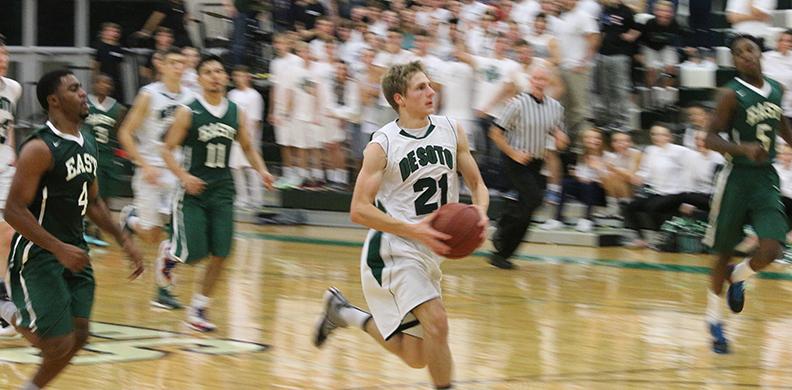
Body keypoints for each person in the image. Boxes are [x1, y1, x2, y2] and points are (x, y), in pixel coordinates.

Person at [313, 61, 489, 389]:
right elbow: (358, 210)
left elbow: (477, 184)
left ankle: (343, 312)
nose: (430, 92)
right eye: (420, 87)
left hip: (429, 253)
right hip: (393, 250)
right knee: (437, 323)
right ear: (400, 99)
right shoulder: (382, 144)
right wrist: (415, 230)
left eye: (430, 85)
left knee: (417, 356)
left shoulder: (452, 130)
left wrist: (480, 212)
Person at [0, 69, 144, 390]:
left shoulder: (88, 139)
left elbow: (93, 202)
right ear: (54, 100)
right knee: (54, 344)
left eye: (81, 88)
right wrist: (58, 248)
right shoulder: (39, 148)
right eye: (74, 88)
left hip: (75, 250)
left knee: (79, 336)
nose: (83, 93)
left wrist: (124, 239)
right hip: (39, 255)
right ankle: (5, 307)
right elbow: (13, 210)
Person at [162, 55, 274, 332]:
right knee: (195, 254)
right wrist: (184, 176)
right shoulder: (188, 111)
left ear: (226, 77)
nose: (215, 75)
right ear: (199, 79)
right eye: (209, 71)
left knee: (222, 251)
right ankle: (169, 253)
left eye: (219, 71)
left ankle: (199, 308)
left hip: (223, 188)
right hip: (194, 190)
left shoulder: (236, 112)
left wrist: (262, 170)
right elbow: (166, 149)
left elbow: (248, 147)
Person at [702, 35, 792, 354]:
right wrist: (741, 148)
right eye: (738, 54)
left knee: (772, 247)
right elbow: (709, 138)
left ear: (759, 53)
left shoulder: (777, 89)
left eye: (749, 50)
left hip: (765, 177)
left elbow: (781, 124)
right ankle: (714, 322)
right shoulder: (730, 94)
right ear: (734, 61)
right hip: (736, 179)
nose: (745, 56)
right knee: (723, 250)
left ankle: (737, 276)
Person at [118, 47, 196, 310]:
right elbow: (125, 133)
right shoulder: (148, 95)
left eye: (182, 63)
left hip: (176, 172)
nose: (178, 67)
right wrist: (143, 164)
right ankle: (131, 219)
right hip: (150, 170)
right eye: (173, 62)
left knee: (177, 234)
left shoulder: (191, 97)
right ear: (160, 65)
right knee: (152, 234)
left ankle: (163, 290)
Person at [487, 66, 567, 269]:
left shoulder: (556, 107)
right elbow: (495, 133)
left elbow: (560, 140)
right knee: (534, 199)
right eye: (536, 78)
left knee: (529, 208)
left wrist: (561, 139)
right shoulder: (517, 104)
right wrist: (513, 153)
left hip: (536, 162)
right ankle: (504, 227)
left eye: (543, 79)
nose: (539, 82)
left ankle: (503, 252)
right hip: (515, 160)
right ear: (531, 81)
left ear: (547, 82)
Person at [0, 49, 22, 336]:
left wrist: (13, 149)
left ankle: (3, 295)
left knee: (8, 232)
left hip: (5, 166)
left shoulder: (13, 88)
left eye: (4, 54)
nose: (2, 59)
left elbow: (10, 122)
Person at [228, 65, 265, 209]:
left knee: (252, 168)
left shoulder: (254, 95)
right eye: (236, 75)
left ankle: (257, 199)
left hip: (249, 137)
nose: (239, 78)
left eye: (242, 75)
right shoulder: (232, 94)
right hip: (234, 136)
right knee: (235, 169)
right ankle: (241, 199)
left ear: (248, 77)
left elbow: (255, 119)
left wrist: (251, 138)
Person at [92, 23, 126, 104]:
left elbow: (120, 65)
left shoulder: (119, 48)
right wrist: (95, 81)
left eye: (116, 31)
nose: (113, 33)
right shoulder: (99, 46)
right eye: (110, 30)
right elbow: (95, 65)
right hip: (103, 79)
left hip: (116, 80)